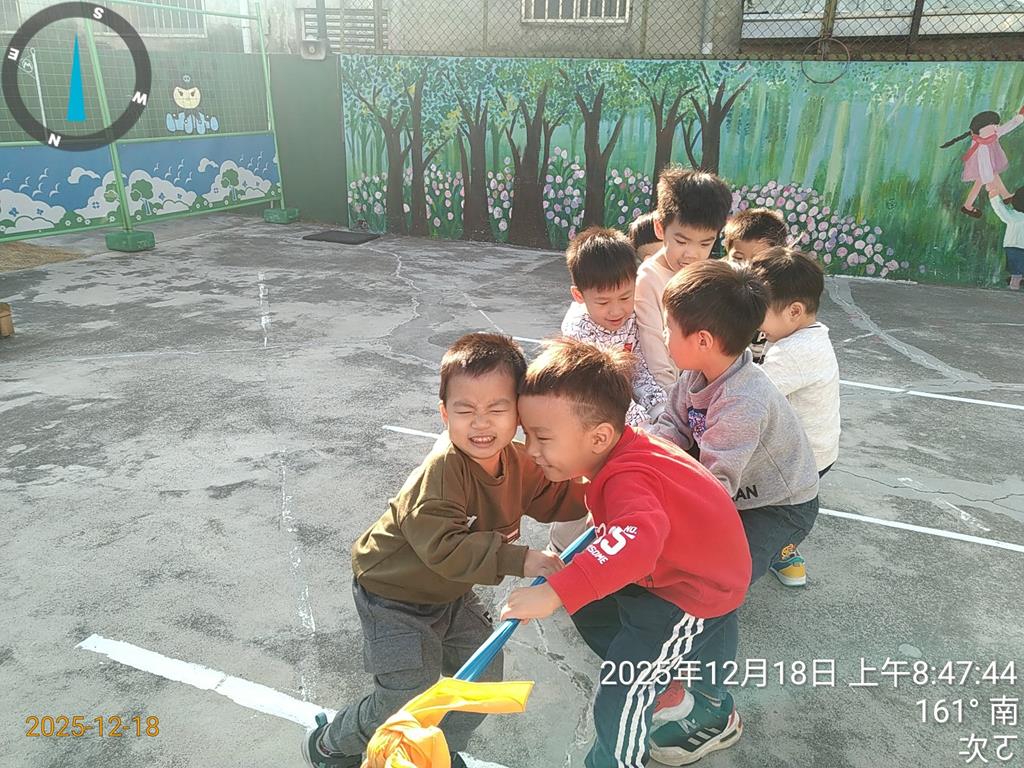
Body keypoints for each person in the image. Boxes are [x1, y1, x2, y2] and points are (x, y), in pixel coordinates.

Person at [302, 333, 588, 768]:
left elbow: (556, 497)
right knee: (404, 695)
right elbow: (445, 547)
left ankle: (437, 749)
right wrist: (522, 559)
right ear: (444, 413)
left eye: (497, 409)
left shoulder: (517, 461)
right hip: (393, 594)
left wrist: (602, 489)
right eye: (465, 410)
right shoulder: (442, 471)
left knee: (481, 681)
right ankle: (329, 744)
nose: (481, 424)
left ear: (519, 413)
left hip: (450, 591)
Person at [503, 337, 752, 767]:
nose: (531, 450)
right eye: (528, 435)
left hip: (691, 591)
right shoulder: (626, 449)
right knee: (592, 607)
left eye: (542, 437)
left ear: (599, 436)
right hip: (695, 568)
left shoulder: (626, 476)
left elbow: (637, 538)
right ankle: (676, 683)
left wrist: (556, 591)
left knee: (623, 687)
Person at [647, 260, 820, 589]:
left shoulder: (743, 401)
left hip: (779, 506)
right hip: (738, 487)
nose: (663, 334)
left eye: (669, 326)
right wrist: (641, 459)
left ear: (703, 341)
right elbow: (673, 424)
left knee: (718, 580)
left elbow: (714, 487)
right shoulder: (697, 373)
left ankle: (783, 548)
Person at [551, 226, 668, 553]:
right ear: (579, 296)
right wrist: (642, 421)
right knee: (584, 489)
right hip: (588, 417)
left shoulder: (632, 317)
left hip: (623, 417)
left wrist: (659, 405)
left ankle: (610, 543)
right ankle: (560, 549)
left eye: (625, 297)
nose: (616, 310)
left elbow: (639, 367)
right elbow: (602, 390)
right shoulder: (579, 328)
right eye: (603, 302)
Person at [749, 248, 841, 586]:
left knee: (769, 508)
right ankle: (784, 549)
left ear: (794, 311)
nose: (754, 321)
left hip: (801, 460)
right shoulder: (811, 336)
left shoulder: (795, 352)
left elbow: (753, 394)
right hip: (818, 451)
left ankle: (781, 549)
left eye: (759, 311)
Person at [635, 166, 733, 390]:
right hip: (667, 391)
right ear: (660, 228)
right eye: (681, 241)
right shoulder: (649, 279)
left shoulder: (709, 272)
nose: (692, 254)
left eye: (705, 243)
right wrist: (675, 401)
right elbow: (655, 355)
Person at [723, 207, 790, 363]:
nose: (747, 267)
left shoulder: (782, 301)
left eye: (758, 261)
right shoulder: (718, 290)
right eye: (738, 259)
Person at [989, 187, 1024, 290]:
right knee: (1017, 273)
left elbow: (1001, 210)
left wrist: (994, 197)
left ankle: (1014, 286)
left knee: (1016, 273)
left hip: (1013, 247)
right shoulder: (1013, 217)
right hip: (1015, 248)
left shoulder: (1013, 216)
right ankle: (1014, 287)